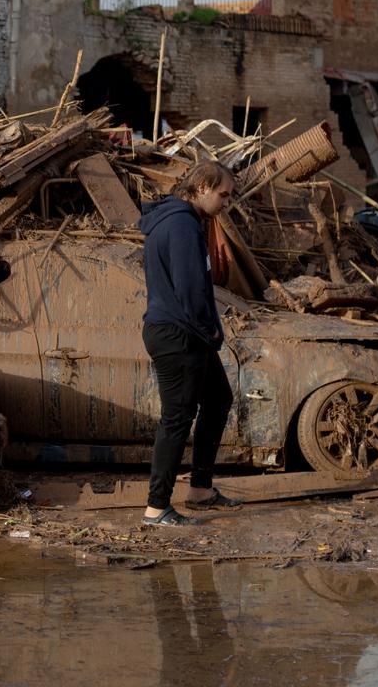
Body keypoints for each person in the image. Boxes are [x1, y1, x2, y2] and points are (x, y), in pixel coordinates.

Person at [136, 160, 241, 526]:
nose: (226, 202)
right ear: (201, 188)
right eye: (223, 194)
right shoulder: (182, 225)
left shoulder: (178, 219)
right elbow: (191, 287)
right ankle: (156, 507)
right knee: (177, 418)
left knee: (218, 399)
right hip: (179, 333)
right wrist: (209, 328)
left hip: (180, 330)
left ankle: (200, 489)